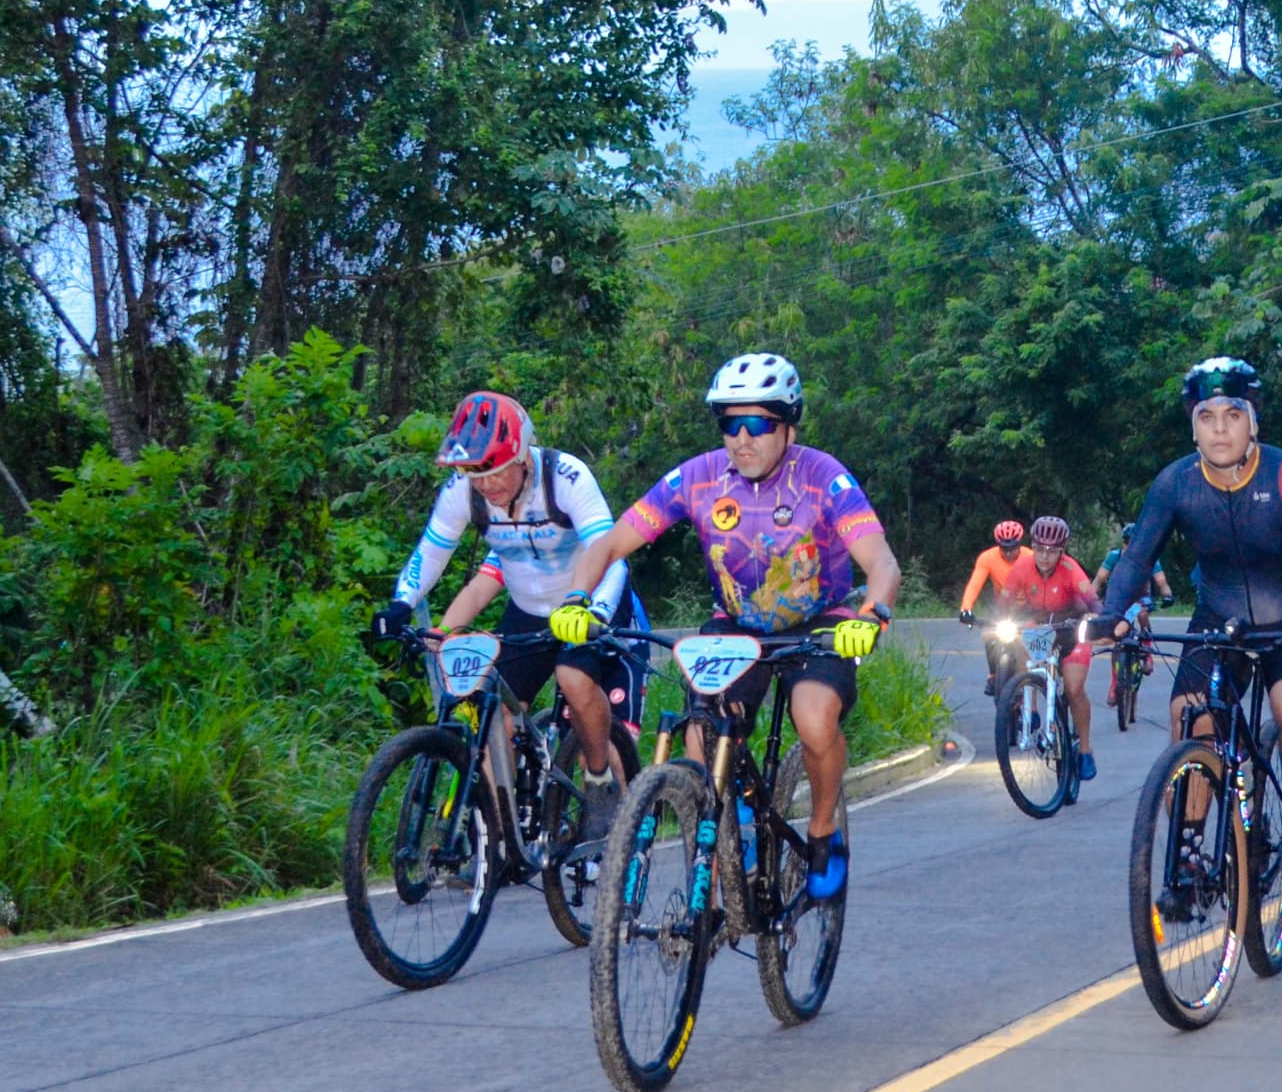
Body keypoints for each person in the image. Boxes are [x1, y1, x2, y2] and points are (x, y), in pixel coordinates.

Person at [551, 354, 901, 901]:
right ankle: (733, 823)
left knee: (813, 719)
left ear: (788, 425)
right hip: (736, 623)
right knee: (700, 729)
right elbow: (610, 544)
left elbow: (881, 563)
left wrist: (873, 613)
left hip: (821, 621)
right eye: (729, 424)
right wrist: (578, 598)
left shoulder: (822, 476)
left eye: (758, 424)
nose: (742, 438)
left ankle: (823, 832)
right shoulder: (697, 477)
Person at [1097, 357, 1282, 868]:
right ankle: (1187, 853)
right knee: (1190, 721)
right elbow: (1138, 557)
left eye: (1232, 415)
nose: (1219, 429)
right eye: (1207, 417)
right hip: (1220, 618)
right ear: (1193, 427)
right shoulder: (1176, 483)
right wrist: (1109, 614)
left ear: (1252, 421)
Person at [375, 390, 640, 832]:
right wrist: (401, 603)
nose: (486, 485)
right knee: (492, 708)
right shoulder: (466, 490)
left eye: (495, 473)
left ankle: (599, 780)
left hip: (588, 601)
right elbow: (432, 553)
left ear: (522, 456)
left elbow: (610, 554)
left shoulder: (567, 477)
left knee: (574, 679)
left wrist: (590, 612)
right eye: (475, 475)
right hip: (528, 611)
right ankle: (499, 833)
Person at [962, 514, 1104, 781]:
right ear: (1033, 546)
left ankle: (1085, 749)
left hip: (1070, 628)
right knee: (1017, 641)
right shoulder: (1021, 568)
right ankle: (1033, 706)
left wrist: (1098, 619)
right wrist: (990, 622)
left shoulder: (1072, 569)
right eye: (1039, 548)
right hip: (1038, 624)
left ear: (1062, 551)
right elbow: (1003, 605)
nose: (1045, 556)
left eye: (1052, 551)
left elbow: (1093, 602)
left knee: (1074, 689)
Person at [1091, 521, 1173, 706]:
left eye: (1134, 542)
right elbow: (1098, 580)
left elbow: (1162, 582)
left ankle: (1147, 650)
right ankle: (1114, 685)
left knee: (1142, 614)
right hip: (1118, 602)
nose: (1130, 546)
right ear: (1124, 543)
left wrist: (1167, 595)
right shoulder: (1115, 557)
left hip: (1140, 600)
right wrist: (1089, 599)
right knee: (1115, 640)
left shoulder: (1149, 558)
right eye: (1127, 542)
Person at [959, 520, 1030, 695]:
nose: (1008, 552)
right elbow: (975, 584)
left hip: (1028, 606)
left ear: (1019, 544)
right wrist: (965, 608)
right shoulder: (987, 558)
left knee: (1027, 643)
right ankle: (993, 675)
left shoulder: (1030, 556)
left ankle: (1029, 683)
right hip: (1003, 607)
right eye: (1004, 548)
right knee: (988, 635)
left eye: (1013, 548)